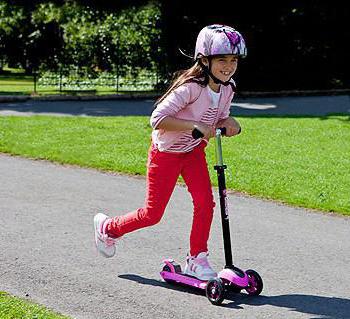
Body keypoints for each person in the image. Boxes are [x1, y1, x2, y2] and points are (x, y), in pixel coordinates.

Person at [93, 24, 247, 280]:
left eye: (233, 60)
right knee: (152, 214)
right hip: (165, 154)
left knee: (205, 203)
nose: (229, 65)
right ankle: (109, 228)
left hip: (193, 152)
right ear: (204, 59)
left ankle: (197, 259)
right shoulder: (190, 88)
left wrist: (227, 123)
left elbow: (216, 119)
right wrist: (193, 126)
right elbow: (157, 118)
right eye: (222, 59)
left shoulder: (228, 88)